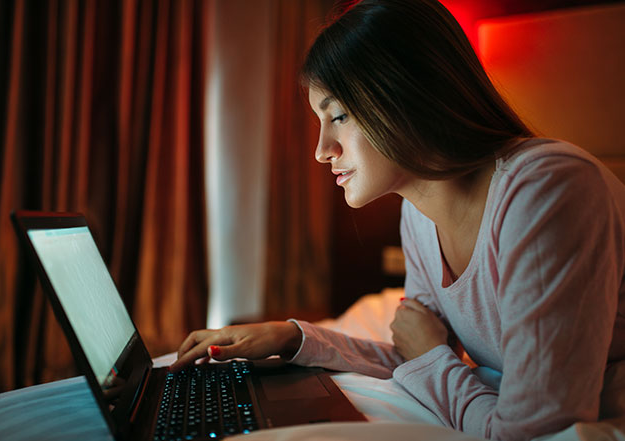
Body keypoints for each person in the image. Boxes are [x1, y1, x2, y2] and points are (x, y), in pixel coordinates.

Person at [170, 0, 625, 439]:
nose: (322, 150)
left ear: (408, 94)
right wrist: (291, 337)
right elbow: (417, 353)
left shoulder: (547, 190)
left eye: (340, 116)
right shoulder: (418, 213)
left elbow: (533, 432)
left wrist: (429, 354)